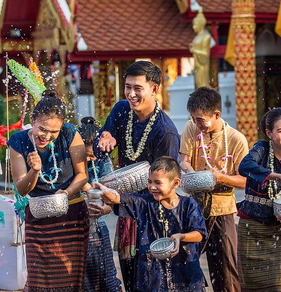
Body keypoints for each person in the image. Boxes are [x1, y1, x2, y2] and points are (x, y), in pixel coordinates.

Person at [93, 60, 180, 292]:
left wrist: (115, 205)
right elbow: (99, 143)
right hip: (126, 215)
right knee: (130, 280)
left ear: (154, 89)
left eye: (137, 88)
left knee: (155, 282)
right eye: (127, 86)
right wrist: (105, 138)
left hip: (153, 217)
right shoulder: (122, 110)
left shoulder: (166, 132)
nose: (131, 94)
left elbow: (164, 189)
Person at [8, 89, 89, 290]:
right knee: (39, 279)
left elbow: (83, 175)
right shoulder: (18, 141)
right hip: (38, 219)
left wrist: (66, 193)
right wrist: (34, 171)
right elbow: (21, 188)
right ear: (32, 119)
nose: (47, 136)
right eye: (42, 129)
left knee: (70, 278)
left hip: (71, 215)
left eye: (54, 132)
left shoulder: (70, 133)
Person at [93, 156, 208, 291]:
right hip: (152, 274)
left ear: (176, 183)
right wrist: (104, 191)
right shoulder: (144, 203)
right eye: (149, 182)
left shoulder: (188, 205)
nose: (152, 187)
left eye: (158, 183)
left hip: (185, 273)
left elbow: (200, 234)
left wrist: (181, 237)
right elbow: (118, 198)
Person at [180, 86, 249, 291]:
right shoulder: (190, 128)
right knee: (183, 261)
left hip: (223, 209)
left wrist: (222, 178)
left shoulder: (236, 139)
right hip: (193, 207)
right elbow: (184, 160)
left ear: (217, 114)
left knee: (226, 269)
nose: (196, 123)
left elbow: (246, 181)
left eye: (201, 119)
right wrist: (193, 173)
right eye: (193, 118)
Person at [237, 107, 281, 291]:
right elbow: (244, 167)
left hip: (280, 229)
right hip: (251, 227)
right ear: (269, 133)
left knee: (277, 286)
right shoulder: (261, 149)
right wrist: (277, 176)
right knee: (250, 285)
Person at [78, 116, 122, 292]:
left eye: (95, 153)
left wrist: (106, 208)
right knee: (82, 276)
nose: (92, 157)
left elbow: (112, 193)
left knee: (104, 273)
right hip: (77, 226)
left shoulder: (102, 160)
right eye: (88, 154)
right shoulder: (70, 161)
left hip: (98, 224)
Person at [189, 8, 211, 88]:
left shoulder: (206, 37)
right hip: (197, 65)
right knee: (197, 85)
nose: (194, 27)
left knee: (203, 85)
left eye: (195, 24)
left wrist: (194, 50)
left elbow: (205, 53)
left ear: (200, 24)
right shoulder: (196, 38)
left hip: (203, 65)